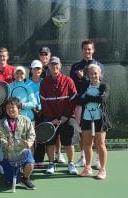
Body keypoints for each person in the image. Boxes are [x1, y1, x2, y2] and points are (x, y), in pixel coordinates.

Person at [40, 56, 78, 175]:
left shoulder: (68, 81)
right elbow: (44, 101)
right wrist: (53, 119)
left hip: (67, 117)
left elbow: (73, 99)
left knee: (68, 141)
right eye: (52, 65)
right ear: (49, 67)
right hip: (51, 118)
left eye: (56, 65)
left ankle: (71, 163)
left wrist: (65, 116)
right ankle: (51, 163)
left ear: (60, 66)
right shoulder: (44, 83)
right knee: (50, 142)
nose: (54, 67)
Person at [70, 40, 105, 168]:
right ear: (82, 50)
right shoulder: (75, 67)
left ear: (93, 50)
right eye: (85, 49)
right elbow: (73, 85)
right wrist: (80, 80)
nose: (87, 51)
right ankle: (83, 157)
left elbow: (96, 82)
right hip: (80, 105)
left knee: (95, 133)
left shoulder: (99, 66)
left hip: (95, 105)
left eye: (89, 49)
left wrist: (83, 78)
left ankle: (97, 159)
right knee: (81, 132)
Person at [31, 47, 66, 163]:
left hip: (54, 107)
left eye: (46, 54)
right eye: (42, 54)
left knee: (57, 131)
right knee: (41, 133)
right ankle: (37, 158)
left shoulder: (54, 67)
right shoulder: (37, 69)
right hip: (41, 108)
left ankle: (58, 153)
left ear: (50, 55)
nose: (44, 56)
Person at [79, 64, 111, 180]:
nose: (93, 75)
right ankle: (87, 168)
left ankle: (102, 169)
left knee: (100, 144)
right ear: (89, 75)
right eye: (91, 73)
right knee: (87, 144)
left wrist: (88, 98)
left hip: (100, 119)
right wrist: (88, 97)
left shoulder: (103, 86)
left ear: (100, 74)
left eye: (95, 73)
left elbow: (102, 99)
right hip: (87, 118)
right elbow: (80, 99)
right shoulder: (86, 86)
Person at [0, 97, 36, 190]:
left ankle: (26, 178)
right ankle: (14, 174)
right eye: (8, 108)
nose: (10, 110)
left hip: (23, 151)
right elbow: (1, 137)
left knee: (30, 164)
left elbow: (32, 134)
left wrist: (30, 142)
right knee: (11, 182)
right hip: (8, 155)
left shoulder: (26, 120)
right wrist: (6, 143)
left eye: (12, 107)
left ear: (18, 109)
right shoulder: (1, 122)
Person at [26, 60, 45, 168]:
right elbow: (27, 98)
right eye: (35, 68)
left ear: (42, 70)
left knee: (41, 137)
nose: (37, 70)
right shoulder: (26, 83)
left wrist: (41, 109)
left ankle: (39, 160)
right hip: (31, 113)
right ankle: (30, 159)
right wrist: (34, 109)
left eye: (39, 68)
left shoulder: (45, 82)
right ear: (31, 70)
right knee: (31, 138)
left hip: (43, 113)